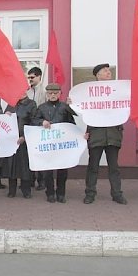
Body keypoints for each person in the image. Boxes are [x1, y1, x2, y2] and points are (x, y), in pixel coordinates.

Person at [84, 63, 127, 205]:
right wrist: (71, 103)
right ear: (98, 75)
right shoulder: (88, 92)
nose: (109, 72)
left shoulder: (117, 90)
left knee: (114, 167)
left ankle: (117, 194)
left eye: (109, 70)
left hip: (113, 134)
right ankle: (90, 193)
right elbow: (79, 108)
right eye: (105, 70)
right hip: (96, 134)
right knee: (93, 167)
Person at [33, 83, 77, 203]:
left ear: (59, 94)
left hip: (61, 145)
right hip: (48, 145)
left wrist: (72, 105)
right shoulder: (41, 107)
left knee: (62, 170)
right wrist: (42, 122)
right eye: (50, 93)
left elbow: (72, 123)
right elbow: (34, 120)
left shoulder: (65, 107)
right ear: (47, 94)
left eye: (55, 93)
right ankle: (50, 193)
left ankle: (61, 193)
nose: (52, 95)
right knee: (48, 171)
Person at [4, 93, 37, 198]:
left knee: (24, 165)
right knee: (11, 165)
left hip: (24, 139)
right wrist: (6, 116)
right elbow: (4, 121)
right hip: (12, 140)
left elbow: (34, 122)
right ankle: (12, 190)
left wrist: (24, 136)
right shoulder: (11, 104)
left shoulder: (31, 104)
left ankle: (26, 190)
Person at [27, 67, 46, 191]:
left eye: (32, 77)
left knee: (41, 155)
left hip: (40, 126)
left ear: (39, 77)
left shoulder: (44, 91)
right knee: (30, 154)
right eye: (29, 78)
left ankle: (42, 181)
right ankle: (30, 180)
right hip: (29, 127)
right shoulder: (27, 91)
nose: (30, 80)